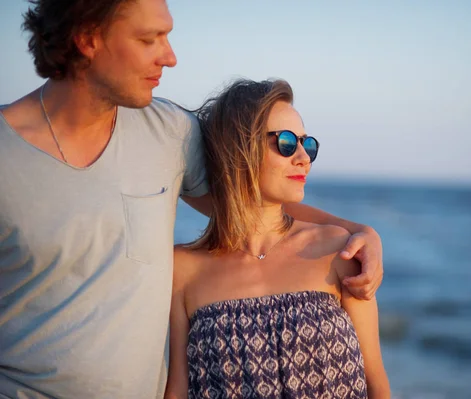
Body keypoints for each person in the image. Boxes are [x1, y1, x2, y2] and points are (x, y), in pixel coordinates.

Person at [0, 1, 383, 398]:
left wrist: (359, 232)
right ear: (88, 39)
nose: (170, 57)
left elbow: (249, 193)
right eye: (149, 39)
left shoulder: (169, 133)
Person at [164, 79, 390, 399]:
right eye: (286, 142)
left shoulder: (339, 250)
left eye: (306, 144)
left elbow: (376, 382)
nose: (303, 157)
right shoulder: (183, 270)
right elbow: (178, 390)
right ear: (238, 149)